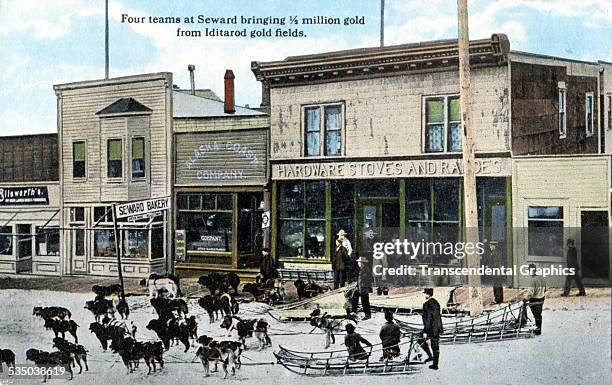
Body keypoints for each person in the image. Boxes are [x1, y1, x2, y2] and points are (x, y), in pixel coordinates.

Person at [418, 288, 443, 370]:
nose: (424, 295)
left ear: (428, 294)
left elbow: (429, 318)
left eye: (425, 293)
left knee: (420, 339)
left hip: (431, 328)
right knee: (435, 345)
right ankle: (434, 363)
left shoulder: (426, 304)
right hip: (437, 328)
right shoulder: (436, 302)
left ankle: (431, 358)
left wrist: (425, 331)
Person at [523, 263, 547, 335]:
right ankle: (539, 328)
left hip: (534, 300)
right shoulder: (541, 278)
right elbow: (545, 288)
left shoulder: (533, 280)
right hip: (541, 299)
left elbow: (530, 293)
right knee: (539, 315)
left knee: (536, 315)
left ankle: (538, 329)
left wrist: (525, 299)